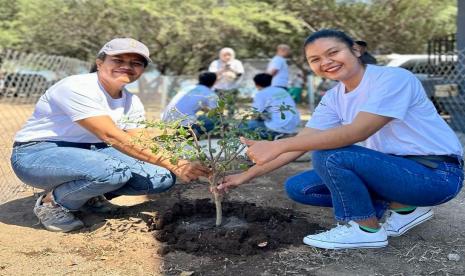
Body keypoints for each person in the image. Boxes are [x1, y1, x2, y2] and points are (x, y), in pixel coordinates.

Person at [216, 29, 463, 250]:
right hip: (395, 172)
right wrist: (243, 177)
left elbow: (358, 132)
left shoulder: (393, 79)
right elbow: (303, 141)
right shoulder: (334, 97)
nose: (326, 62)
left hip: (435, 174)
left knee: (330, 154)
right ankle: (404, 208)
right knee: (300, 187)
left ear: (356, 50)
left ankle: (365, 229)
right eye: (315, 59)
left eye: (333, 52)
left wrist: (279, 143)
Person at [10, 38, 209, 233]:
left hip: (94, 152)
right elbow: (111, 136)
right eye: (118, 60)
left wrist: (178, 162)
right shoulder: (76, 87)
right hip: (38, 153)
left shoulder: (131, 101)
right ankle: (52, 204)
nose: (127, 67)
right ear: (99, 62)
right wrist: (174, 163)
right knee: (112, 171)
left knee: (161, 176)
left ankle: (88, 195)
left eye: (136, 63)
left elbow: (141, 140)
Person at [241, 73, 300, 140]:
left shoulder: (260, 94)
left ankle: (275, 136)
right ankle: (283, 134)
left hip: (278, 127)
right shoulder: (281, 90)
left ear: (256, 84)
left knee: (242, 127)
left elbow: (255, 114)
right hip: (293, 125)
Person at [161, 72, 218, 136]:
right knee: (213, 122)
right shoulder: (209, 93)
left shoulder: (188, 87)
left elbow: (186, 104)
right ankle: (190, 134)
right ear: (214, 81)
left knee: (200, 117)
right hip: (184, 121)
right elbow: (217, 112)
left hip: (165, 117)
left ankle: (183, 131)